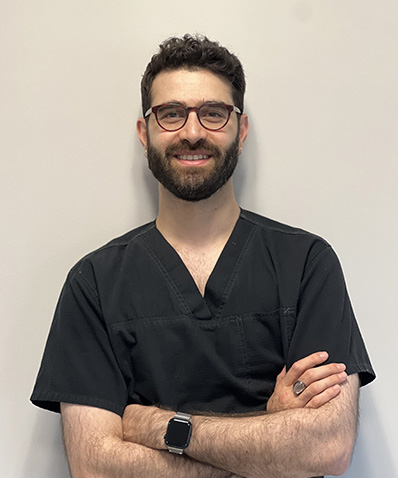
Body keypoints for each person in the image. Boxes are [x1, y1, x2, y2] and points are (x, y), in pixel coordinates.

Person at [31, 34, 375, 478]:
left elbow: (326, 447)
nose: (192, 133)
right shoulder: (94, 283)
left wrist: (155, 426)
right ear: (145, 132)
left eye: (213, 114)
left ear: (241, 129)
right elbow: (95, 466)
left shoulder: (307, 264)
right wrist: (269, 438)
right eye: (171, 114)